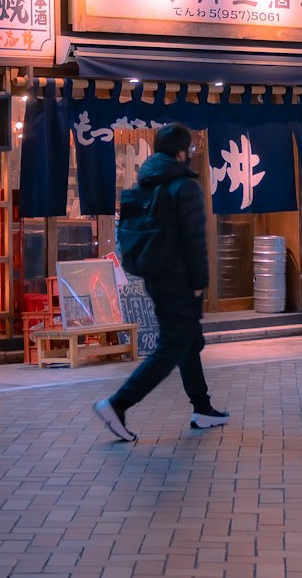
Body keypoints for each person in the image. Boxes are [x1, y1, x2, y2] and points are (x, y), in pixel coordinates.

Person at [93, 123, 227, 443]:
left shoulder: (148, 183)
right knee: (172, 346)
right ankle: (118, 404)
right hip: (179, 279)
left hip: (156, 275)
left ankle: (203, 407)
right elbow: (195, 240)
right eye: (189, 148)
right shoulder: (184, 186)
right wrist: (200, 282)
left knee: (189, 341)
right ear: (182, 151)